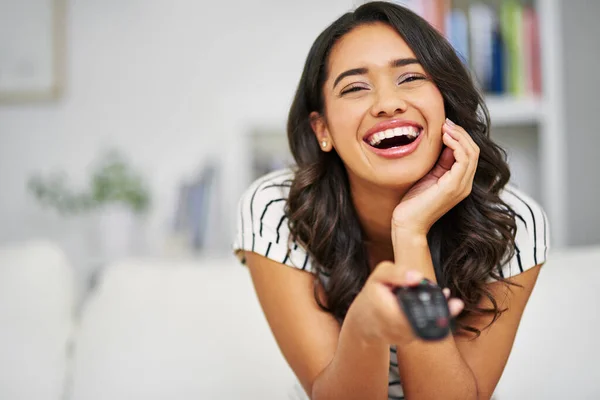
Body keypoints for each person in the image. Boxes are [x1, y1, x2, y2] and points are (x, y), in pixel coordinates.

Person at [233, 2, 549, 399]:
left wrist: (411, 232)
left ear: (446, 104)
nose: (387, 103)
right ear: (323, 129)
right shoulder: (277, 210)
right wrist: (365, 331)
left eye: (411, 77)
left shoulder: (512, 221)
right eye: (355, 87)